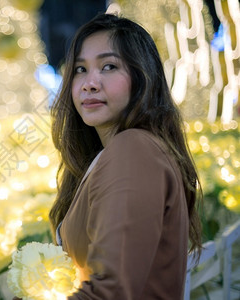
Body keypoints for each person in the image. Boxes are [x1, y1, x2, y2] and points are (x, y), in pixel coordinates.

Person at [49, 13, 203, 299]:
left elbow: (112, 291)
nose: (89, 83)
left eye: (109, 67)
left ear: (142, 78)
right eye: (80, 70)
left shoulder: (134, 150)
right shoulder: (120, 151)